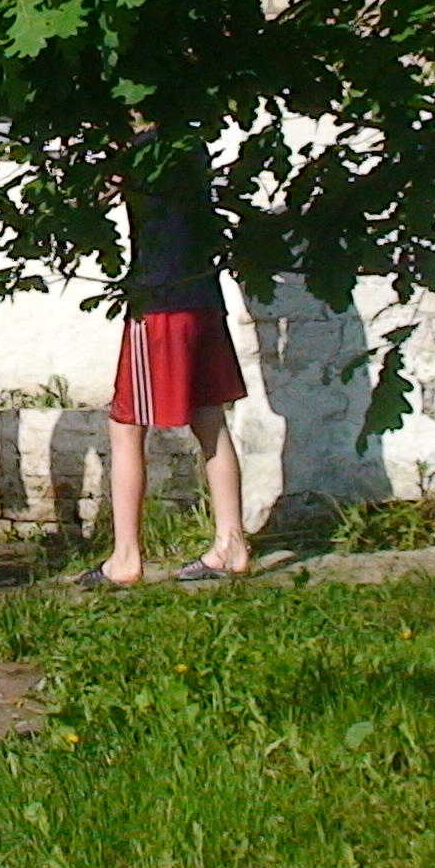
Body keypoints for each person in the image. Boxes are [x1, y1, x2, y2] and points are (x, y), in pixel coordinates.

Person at [81, 145, 252, 588]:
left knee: (126, 426)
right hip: (202, 294)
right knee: (210, 419)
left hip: (159, 301)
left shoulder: (139, 151)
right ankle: (232, 543)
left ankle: (126, 558)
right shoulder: (188, 144)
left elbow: (88, 201)